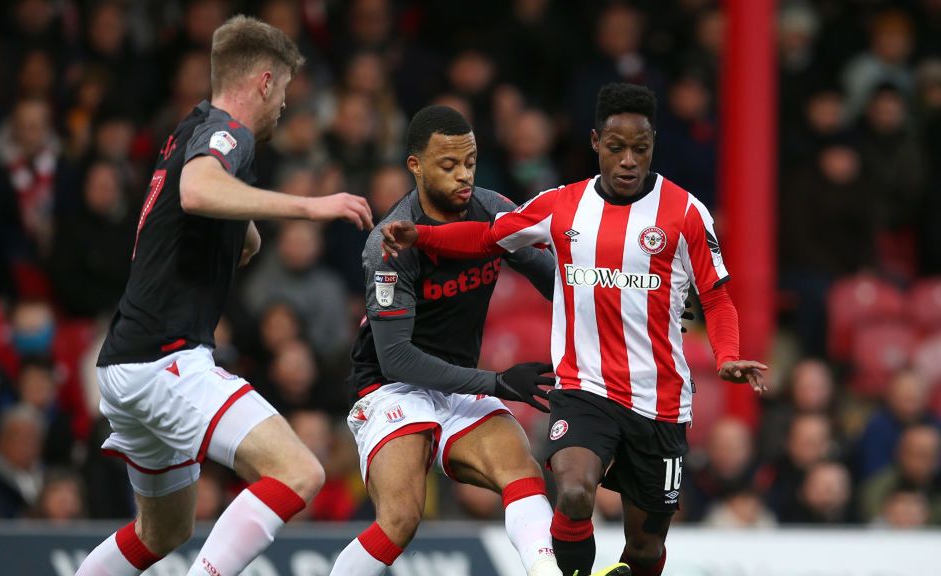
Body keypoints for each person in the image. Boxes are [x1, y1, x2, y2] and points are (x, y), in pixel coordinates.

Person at [382, 83, 768, 576]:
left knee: (645, 548)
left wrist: (726, 355)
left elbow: (715, 296)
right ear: (595, 142)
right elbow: (488, 236)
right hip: (584, 387)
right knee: (573, 490)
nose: (628, 161)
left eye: (640, 149)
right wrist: (422, 235)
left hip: (660, 401)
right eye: (616, 147)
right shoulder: (562, 205)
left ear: (653, 145)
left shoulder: (687, 213)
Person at [75, 16, 372, 576]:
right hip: (167, 359)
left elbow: (198, 200)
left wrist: (245, 232)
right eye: (284, 89)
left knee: (163, 530)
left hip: (126, 364)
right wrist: (311, 206)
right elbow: (196, 190)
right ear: (264, 81)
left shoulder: (191, 127)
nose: (284, 104)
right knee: (299, 472)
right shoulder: (228, 132)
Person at [329, 105, 580, 576]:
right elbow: (398, 359)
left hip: (458, 384)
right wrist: (497, 382)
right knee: (401, 519)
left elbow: (558, 283)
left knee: (522, 471)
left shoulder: (494, 210)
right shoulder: (390, 243)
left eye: (470, 162)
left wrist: (627, 300)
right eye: (448, 165)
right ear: (415, 165)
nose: (464, 175)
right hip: (389, 387)